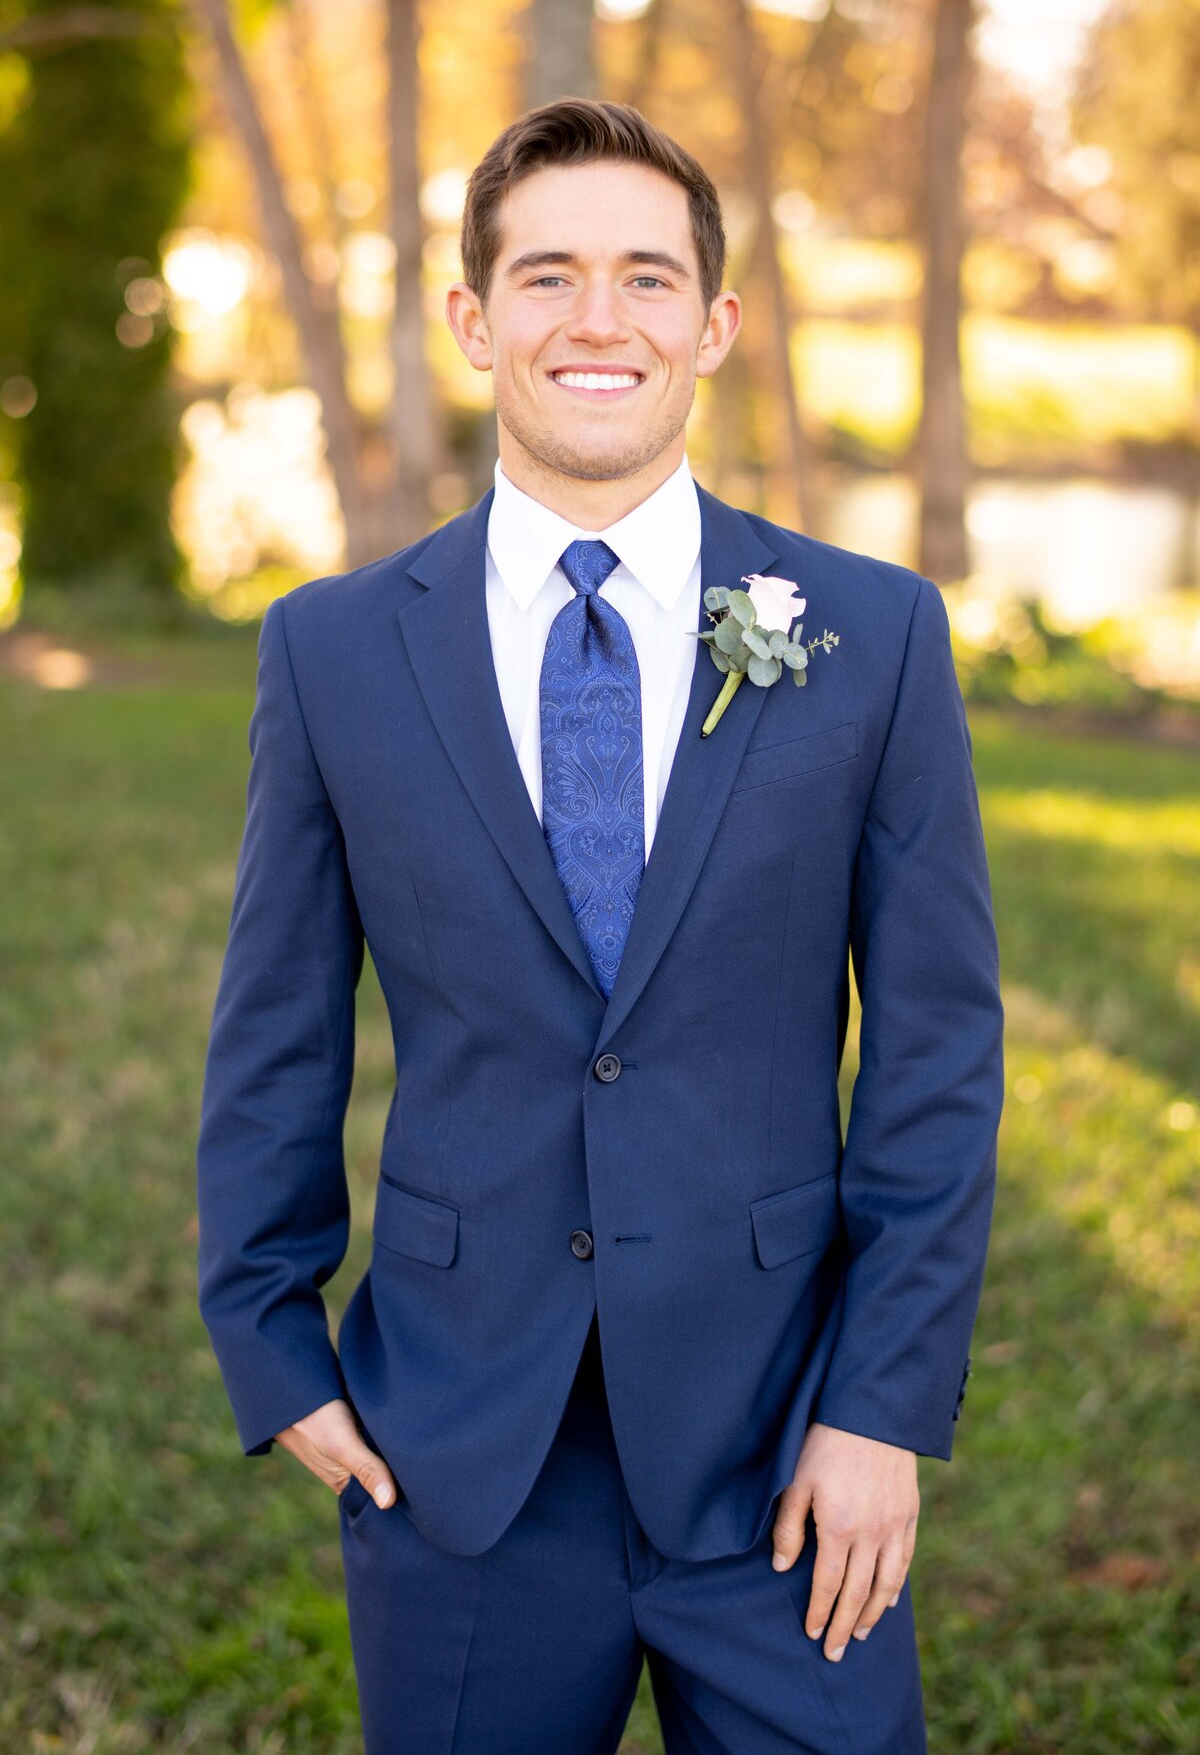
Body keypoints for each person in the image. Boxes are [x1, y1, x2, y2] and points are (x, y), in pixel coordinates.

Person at [196, 97, 1004, 1754]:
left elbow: (935, 1053)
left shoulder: (872, 635)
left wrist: (879, 1409)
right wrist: (272, 1347)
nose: (596, 321)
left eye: (646, 279)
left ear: (711, 324)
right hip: (460, 1454)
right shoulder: (334, 651)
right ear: (475, 320)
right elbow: (275, 1027)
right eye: (547, 275)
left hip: (783, 1445)